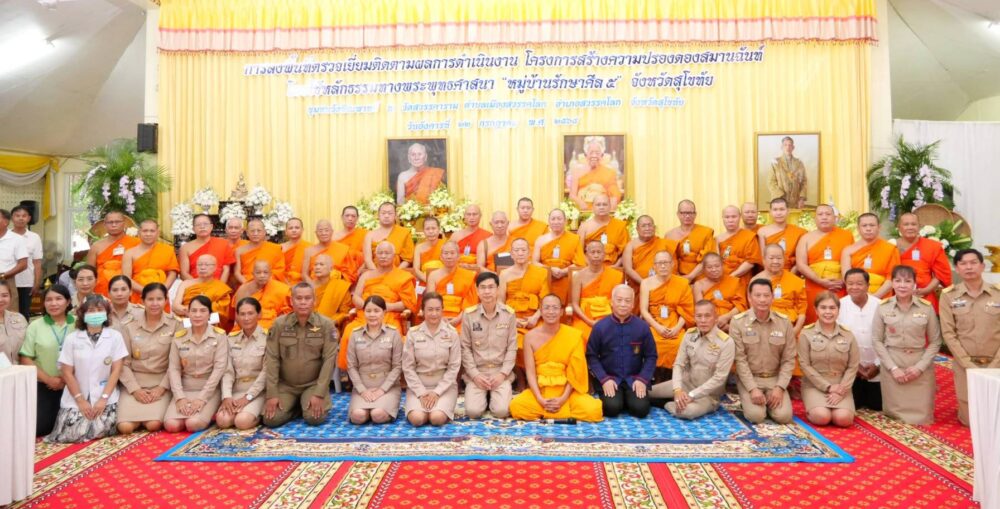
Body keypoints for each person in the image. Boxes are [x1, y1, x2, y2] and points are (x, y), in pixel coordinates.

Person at [45, 297, 128, 443]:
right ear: (82, 314)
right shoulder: (72, 338)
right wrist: (80, 400)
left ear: (107, 313)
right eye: (91, 310)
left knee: (101, 428)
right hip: (77, 395)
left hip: (105, 395)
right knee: (73, 433)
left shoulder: (115, 337)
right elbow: (66, 372)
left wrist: (103, 399)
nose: (95, 313)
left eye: (100, 310)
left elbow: (116, 371)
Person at [510, 294, 603, 422]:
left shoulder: (573, 336)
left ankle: (550, 410)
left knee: (594, 410)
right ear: (541, 311)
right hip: (541, 390)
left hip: (567, 393)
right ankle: (554, 410)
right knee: (516, 407)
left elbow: (574, 373)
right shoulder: (530, 337)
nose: (551, 312)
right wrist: (540, 399)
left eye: (555, 308)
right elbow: (530, 373)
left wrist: (562, 399)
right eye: (547, 308)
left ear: (561, 312)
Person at [872, 265, 942, 425]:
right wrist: (893, 368)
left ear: (914, 284)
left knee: (923, 419)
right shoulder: (883, 307)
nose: (902, 285)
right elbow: (876, 340)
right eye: (898, 281)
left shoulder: (926, 307)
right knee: (894, 420)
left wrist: (919, 368)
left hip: (919, 364)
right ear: (892, 283)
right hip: (893, 363)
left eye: (907, 281)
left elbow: (935, 341)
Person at [263, 283, 339, 427]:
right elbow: (272, 359)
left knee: (314, 418)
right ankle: (296, 408)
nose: (303, 302)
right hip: (286, 385)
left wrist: (319, 393)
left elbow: (329, 361)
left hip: (313, 385)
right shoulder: (279, 324)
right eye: (298, 298)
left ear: (314, 301)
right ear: (291, 301)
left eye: (307, 298)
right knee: (271, 420)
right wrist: (272, 394)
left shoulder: (326, 325)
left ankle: (304, 405)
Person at [939, 248, 1000, 426]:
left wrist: (996, 363)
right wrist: (967, 364)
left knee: (995, 414)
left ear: (982, 266)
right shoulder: (949, 296)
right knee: (970, 420)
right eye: (963, 264)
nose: (969, 267)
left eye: (973, 263)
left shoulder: (997, 293)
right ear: (957, 269)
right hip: (965, 363)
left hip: (996, 361)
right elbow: (948, 333)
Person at [649, 300, 735, 419]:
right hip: (685, 384)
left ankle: (665, 404)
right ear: (694, 317)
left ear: (716, 318)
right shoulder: (689, 335)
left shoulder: (726, 342)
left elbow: (719, 378)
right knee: (647, 393)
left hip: (707, 395)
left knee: (687, 412)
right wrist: (677, 390)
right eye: (699, 316)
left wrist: (692, 395)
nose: (703, 320)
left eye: (707, 316)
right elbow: (678, 365)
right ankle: (675, 399)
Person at [340, 243, 417, 370]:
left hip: (389, 316)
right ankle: (353, 371)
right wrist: (369, 307)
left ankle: (390, 372)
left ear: (394, 256)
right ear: (375, 256)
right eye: (380, 253)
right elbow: (355, 297)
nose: (383, 256)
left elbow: (408, 303)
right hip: (365, 316)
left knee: (392, 337)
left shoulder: (402, 277)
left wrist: (385, 307)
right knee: (349, 333)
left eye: (387, 253)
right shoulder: (366, 275)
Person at [729, 279, 796, 424]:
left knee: (784, 417)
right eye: (758, 295)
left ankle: (768, 402)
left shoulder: (784, 322)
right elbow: (740, 360)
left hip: (774, 378)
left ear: (772, 297)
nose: (762, 300)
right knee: (756, 416)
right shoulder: (738, 322)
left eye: (766, 295)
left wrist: (780, 388)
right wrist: (752, 389)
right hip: (750, 378)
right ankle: (751, 401)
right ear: (749, 297)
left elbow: (789, 359)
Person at [117, 283, 181, 434]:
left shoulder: (175, 324)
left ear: (166, 300)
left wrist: (162, 388)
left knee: (153, 424)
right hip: (135, 382)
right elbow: (123, 363)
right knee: (125, 427)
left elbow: (176, 363)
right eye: (150, 299)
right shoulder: (128, 325)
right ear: (142, 301)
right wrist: (135, 390)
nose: (155, 303)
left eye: (159, 299)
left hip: (161, 383)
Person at [586, 285, 656, 418]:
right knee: (611, 408)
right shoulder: (600, 327)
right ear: (611, 302)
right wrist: (604, 379)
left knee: (641, 410)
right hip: (611, 378)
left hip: (634, 378)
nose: (623, 304)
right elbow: (592, 356)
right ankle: (622, 399)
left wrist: (642, 379)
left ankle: (629, 399)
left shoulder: (642, 327)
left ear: (633, 304)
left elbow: (651, 356)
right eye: (619, 300)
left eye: (627, 301)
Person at [163, 296, 229, 432]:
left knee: (193, 423)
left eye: (203, 311)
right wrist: (180, 397)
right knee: (171, 425)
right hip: (185, 388)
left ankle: (208, 413)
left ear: (210, 314)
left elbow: (219, 369)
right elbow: (174, 369)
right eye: (194, 311)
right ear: (188, 313)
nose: (198, 315)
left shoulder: (219, 336)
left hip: (209, 389)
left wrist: (201, 398)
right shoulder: (179, 337)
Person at [460, 272, 518, 419]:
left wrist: (503, 374)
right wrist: (475, 375)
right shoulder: (469, 315)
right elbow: (465, 348)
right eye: (483, 287)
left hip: (500, 372)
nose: (487, 291)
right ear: (477, 291)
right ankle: (484, 396)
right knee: (473, 412)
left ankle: (493, 395)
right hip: (478, 372)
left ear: (498, 289)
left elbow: (512, 347)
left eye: (491, 287)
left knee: (501, 412)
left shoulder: (509, 314)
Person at [799, 292, 860, 427]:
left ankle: (839, 407)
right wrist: (828, 387)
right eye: (823, 307)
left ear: (838, 310)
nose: (828, 312)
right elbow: (804, 365)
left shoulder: (848, 334)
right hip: (815, 385)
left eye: (832, 308)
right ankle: (813, 409)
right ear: (816, 310)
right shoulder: (806, 333)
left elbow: (853, 366)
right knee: (822, 417)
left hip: (841, 384)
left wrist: (842, 389)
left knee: (843, 419)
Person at [19, 285, 73, 436]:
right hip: (45, 384)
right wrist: (49, 379)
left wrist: (66, 379)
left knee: (74, 424)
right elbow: (25, 358)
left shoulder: (78, 324)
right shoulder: (35, 326)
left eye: (58, 299)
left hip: (74, 384)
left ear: (68, 302)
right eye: (48, 300)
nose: (53, 303)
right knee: (40, 427)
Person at [403, 292, 463, 426]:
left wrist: (437, 392)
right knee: (417, 419)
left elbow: (454, 367)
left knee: (437, 418)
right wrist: (421, 392)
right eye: (430, 309)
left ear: (442, 310)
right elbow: (408, 367)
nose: (434, 314)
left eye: (437, 309)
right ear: (423, 311)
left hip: (444, 386)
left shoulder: (452, 333)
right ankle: (421, 407)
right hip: (419, 385)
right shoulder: (413, 333)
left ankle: (438, 408)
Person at [346, 296, 404, 424]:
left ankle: (383, 407)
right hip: (363, 386)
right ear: (363, 312)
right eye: (368, 311)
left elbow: (397, 366)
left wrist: (382, 389)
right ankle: (365, 409)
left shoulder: (393, 334)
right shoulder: (355, 334)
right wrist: (362, 389)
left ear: (384, 313)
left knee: (378, 415)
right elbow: (351, 366)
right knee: (358, 417)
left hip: (387, 387)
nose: (372, 315)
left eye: (376, 311)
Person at [215, 297, 267, 430]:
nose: (246, 318)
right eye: (242, 314)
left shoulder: (268, 338)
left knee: (242, 422)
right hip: (237, 390)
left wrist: (248, 397)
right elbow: (227, 371)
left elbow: (266, 373)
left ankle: (260, 416)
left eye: (250, 313)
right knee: (222, 421)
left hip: (258, 392)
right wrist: (227, 396)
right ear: (237, 316)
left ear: (259, 314)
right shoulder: (231, 339)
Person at [797, 204, 853, 322]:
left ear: (835, 218)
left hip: (838, 285)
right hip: (814, 283)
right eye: (820, 214)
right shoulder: (806, 238)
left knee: (840, 318)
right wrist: (820, 281)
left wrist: (845, 281)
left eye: (828, 214)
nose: (824, 217)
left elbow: (853, 261)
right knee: (815, 318)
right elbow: (801, 265)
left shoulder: (846, 236)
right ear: (815, 218)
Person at [639, 251, 695, 369]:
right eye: (659, 263)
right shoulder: (646, 283)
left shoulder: (682, 283)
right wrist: (658, 327)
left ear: (672, 264)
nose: (663, 266)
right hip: (654, 323)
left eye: (666, 262)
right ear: (654, 266)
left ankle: (676, 374)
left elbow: (687, 310)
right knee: (652, 342)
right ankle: (654, 374)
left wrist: (676, 329)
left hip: (675, 323)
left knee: (680, 343)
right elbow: (643, 310)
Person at [838, 269, 883, 411]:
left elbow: (890, 338)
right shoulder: (839, 305)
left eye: (859, 283)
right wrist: (855, 366)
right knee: (854, 404)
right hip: (850, 367)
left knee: (877, 405)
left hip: (878, 366)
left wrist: (878, 364)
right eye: (850, 283)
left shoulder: (881, 305)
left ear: (868, 285)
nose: (854, 287)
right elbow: (836, 340)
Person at [498, 238, 548, 355]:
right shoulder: (504, 274)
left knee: (540, 343)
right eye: (516, 250)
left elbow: (546, 301)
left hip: (535, 319)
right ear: (511, 254)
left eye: (523, 250)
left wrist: (535, 318)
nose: (520, 253)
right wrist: (512, 320)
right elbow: (500, 302)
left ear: (529, 253)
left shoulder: (541, 272)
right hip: (511, 318)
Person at [571, 240, 625, 342]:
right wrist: (589, 322)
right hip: (585, 317)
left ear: (604, 255)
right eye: (593, 252)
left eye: (599, 252)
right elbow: (575, 304)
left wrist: (610, 321)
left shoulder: (615, 275)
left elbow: (618, 301)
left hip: (609, 317)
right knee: (581, 336)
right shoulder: (578, 276)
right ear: (586, 255)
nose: (596, 255)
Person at [896, 213, 952, 311]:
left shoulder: (933, 246)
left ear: (919, 226)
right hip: (897, 294)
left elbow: (941, 274)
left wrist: (927, 290)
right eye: (906, 224)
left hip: (925, 294)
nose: (910, 227)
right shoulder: (891, 247)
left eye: (913, 224)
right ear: (899, 228)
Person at [752, 245, 807, 336]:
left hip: (790, 327)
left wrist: (795, 330)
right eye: (771, 258)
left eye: (779, 258)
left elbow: (802, 310)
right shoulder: (755, 281)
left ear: (784, 259)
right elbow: (753, 310)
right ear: (764, 259)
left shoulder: (796, 281)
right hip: (763, 328)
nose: (775, 261)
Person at [841, 213, 899, 298]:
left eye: (872, 225)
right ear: (858, 229)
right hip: (855, 296)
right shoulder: (848, 250)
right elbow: (847, 278)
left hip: (882, 297)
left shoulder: (890, 249)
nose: (868, 229)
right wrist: (860, 296)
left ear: (879, 227)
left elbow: (892, 278)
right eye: (864, 226)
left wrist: (875, 297)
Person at [533, 208, 585, 304]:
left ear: (565, 221)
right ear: (549, 221)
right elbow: (534, 262)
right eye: (553, 219)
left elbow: (580, 264)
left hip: (567, 279)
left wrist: (563, 272)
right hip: (544, 280)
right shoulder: (540, 240)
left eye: (559, 219)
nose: (556, 222)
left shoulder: (574, 239)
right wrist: (550, 270)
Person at [122, 219, 180, 304]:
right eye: (145, 231)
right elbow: (126, 278)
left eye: (152, 231)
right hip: (138, 295)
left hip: (161, 294)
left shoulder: (167, 250)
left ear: (158, 233)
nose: (148, 234)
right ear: (139, 233)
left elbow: (173, 273)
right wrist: (145, 291)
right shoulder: (129, 253)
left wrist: (162, 289)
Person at [86, 210, 139, 297]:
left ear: (124, 223)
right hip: (102, 291)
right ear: (104, 225)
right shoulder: (96, 246)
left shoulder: (136, 243)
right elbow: (89, 272)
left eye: (117, 222)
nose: (114, 225)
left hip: (129, 290)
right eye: (110, 222)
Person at [426, 241, 478, 328]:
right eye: (446, 253)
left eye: (452, 253)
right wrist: (440, 318)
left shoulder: (468, 275)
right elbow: (430, 301)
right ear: (441, 257)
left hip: (462, 318)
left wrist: (458, 319)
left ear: (458, 256)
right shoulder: (433, 275)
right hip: (437, 317)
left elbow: (470, 303)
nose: (449, 256)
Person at [172, 255, 233, 328]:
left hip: (210, 325)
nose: (202, 267)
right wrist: (194, 313)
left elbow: (221, 313)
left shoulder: (221, 288)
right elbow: (175, 306)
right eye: (199, 265)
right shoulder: (186, 284)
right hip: (185, 323)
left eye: (207, 265)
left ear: (215, 267)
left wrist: (195, 313)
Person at [692, 253, 747, 332]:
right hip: (708, 323)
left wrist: (726, 317)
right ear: (703, 269)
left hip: (732, 321)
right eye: (709, 267)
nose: (714, 270)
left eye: (717, 266)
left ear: (722, 265)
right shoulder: (699, 285)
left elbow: (741, 305)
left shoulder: (734, 282)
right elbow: (701, 309)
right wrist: (714, 323)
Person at [665, 200, 716, 282]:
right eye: (683, 213)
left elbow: (707, 259)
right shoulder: (670, 235)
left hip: (702, 276)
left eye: (690, 213)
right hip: (677, 277)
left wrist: (690, 276)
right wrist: (678, 278)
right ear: (678, 214)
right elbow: (669, 260)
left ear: (695, 214)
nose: (687, 216)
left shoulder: (706, 232)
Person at [232, 261, 291, 332]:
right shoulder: (244, 289)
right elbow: (238, 315)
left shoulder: (281, 289)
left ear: (270, 274)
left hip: (272, 330)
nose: (262, 275)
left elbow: (287, 314)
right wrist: (248, 332)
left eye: (265, 272)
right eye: (258, 272)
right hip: (246, 329)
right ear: (253, 274)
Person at [622, 215, 676, 290]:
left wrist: (661, 283)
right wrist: (644, 284)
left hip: (663, 285)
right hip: (638, 286)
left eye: (649, 225)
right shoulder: (630, 246)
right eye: (643, 226)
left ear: (654, 228)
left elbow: (672, 266)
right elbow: (628, 269)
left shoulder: (664, 244)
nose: (647, 228)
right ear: (637, 229)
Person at [568, 136, 622, 211]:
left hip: (602, 210)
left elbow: (614, 195)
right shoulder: (577, 172)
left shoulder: (609, 172)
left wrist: (610, 211)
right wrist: (581, 204)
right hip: (583, 210)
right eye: (591, 153)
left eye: (597, 153)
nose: (594, 155)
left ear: (602, 156)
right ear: (586, 155)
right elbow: (572, 195)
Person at [302, 219, 361, 286]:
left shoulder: (342, 249)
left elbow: (350, 274)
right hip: (315, 286)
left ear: (332, 232)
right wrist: (313, 287)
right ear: (316, 233)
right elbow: (304, 274)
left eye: (326, 230)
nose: (323, 233)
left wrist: (338, 276)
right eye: (320, 231)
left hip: (337, 287)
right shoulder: (309, 251)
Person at [576, 194, 630, 267]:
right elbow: (579, 252)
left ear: (610, 207)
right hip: (590, 268)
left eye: (605, 204)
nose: (601, 207)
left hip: (614, 268)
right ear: (593, 207)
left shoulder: (619, 226)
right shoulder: (584, 227)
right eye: (598, 205)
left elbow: (626, 251)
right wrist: (591, 267)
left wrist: (616, 265)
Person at [179, 214, 235, 281]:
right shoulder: (185, 248)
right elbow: (184, 273)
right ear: (193, 229)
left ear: (211, 227)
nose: (202, 227)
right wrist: (197, 285)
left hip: (218, 284)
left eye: (205, 224)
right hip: (194, 284)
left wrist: (220, 286)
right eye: (198, 225)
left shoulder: (223, 243)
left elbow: (226, 270)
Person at [716, 205, 761, 290]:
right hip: (720, 279)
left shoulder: (749, 236)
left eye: (734, 217)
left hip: (741, 279)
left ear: (740, 217)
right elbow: (715, 262)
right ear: (723, 218)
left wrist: (731, 277)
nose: (730, 220)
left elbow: (751, 262)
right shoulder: (717, 239)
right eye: (727, 217)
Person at [756, 198, 807, 271]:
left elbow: (802, 259)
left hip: (792, 272)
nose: (778, 213)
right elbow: (762, 258)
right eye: (775, 210)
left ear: (788, 211)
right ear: (770, 212)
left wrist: (792, 273)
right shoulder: (762, 232)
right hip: (769, 271)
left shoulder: (800, 232)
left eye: (782, 209)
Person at [10, 205, 42, 318]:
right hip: (7, 281)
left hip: (26, 282)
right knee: (8, 313)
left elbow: (37, 262)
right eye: (17, 215)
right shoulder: (5, 236)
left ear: (29, 218)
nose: (21, 218)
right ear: (12, 218)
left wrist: (37, 282)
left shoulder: (35, 237)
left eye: (24, 216)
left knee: (23, 314)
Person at [362, 202, 415, 269]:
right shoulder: (370, 235)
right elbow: (368, 260)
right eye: (383, 213)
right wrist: (376, 272)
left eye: (390, 213)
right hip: (374, 271)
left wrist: (396, 272)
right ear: (378, 215)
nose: (386, 216)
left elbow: (408, 259)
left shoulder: (404, 232)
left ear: (395, 216)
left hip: (397, 272)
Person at [234, 218, 286, 284]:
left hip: (270, 283)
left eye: (259, 231)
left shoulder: (275, 248)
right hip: (248, 283)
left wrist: (265, 281)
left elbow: (279, 270)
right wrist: (248, 285)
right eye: (252, 231)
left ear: (264, 232)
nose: (255, 233)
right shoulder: (239, 251)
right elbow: (237, 273)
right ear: (247, 233)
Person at [0, 208, 29, 315]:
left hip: (7, 279)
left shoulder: (17, 239)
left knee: (10, 314)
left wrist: (3, 276)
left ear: (6, 222)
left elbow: (23, 264)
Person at [311, 255, 353, 327]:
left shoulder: (340, 287)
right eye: (315, 264)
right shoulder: (308, 286)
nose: (317, 267)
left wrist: (332, 321)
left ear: (331, 269)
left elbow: (344, 312)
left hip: (329, 326)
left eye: (321, 264)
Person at [768, 136, 807, 209]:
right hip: (780, 202)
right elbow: (771, 182)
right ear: (781, 147)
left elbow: (804, 182)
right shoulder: (775, 162)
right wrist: (780, 197)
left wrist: (801, 198)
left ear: (793, 147)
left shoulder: (799, 163)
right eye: (785, 145)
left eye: (790, 145)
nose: (788, 147)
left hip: (795, 202)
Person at [451, 204, 491, 270]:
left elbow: (490, 259)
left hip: (479, 270)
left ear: (480, 216)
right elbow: (449, 255)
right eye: (468, 214)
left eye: (474, 214)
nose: (471, 217)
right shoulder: (455, 236)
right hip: (458, 269)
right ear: (464, 216)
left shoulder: (488, 236)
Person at [413, 216, 445, 284]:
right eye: (427, 229)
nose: (431, 231)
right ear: (423, 231)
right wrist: (428, 280)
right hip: (425, 279)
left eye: (433, 228)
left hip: (443, 280)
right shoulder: (419, 248)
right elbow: (416, 269)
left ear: (439, 229)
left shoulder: (445, 245)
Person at [281, 218, 313, 286]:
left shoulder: (310, 247)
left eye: (297, 228)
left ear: (302, 230)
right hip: (282, 283)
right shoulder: (280, 248)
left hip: (304, 283)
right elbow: (277, 270)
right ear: (286, 231)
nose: (294, 230)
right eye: (291, 228)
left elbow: (313, 270)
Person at [0, 284, 27, 363]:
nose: (0, 300)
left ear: (10, 297)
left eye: (4, 295)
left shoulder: (19, 318)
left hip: (20, 368)